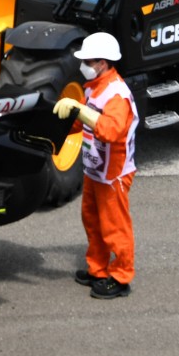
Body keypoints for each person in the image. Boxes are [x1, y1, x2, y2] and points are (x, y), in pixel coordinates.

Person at [52, 32, 139, 300]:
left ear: (102, 62)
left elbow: (111, 131)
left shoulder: (116, 95)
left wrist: (79, 111)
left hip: (113, 174)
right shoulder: (94, 87)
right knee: (92, 221)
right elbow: (84, 122)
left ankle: (121, 276)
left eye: (88, 61)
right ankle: (98, 269)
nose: (84, 65)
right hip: (95, 169)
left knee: (114, 226)